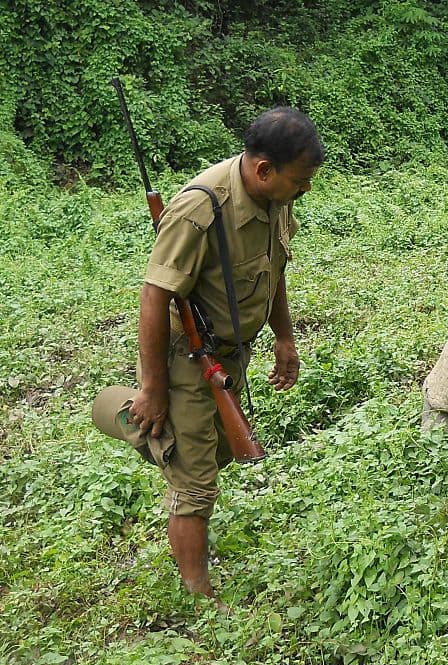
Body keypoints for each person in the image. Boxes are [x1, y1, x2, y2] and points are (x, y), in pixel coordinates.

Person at [92, 106, 324, 597]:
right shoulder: (200, 209)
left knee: (213, 452)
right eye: (300, 181)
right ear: (264, 170)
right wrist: (154, 389)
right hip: (186, 357)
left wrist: (284, 337)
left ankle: (160, 434)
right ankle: (199, 595)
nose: (305, 190)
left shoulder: (274, 201)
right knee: (196, 484)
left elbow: (274, 270)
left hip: (231, 355)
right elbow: (155, 297)